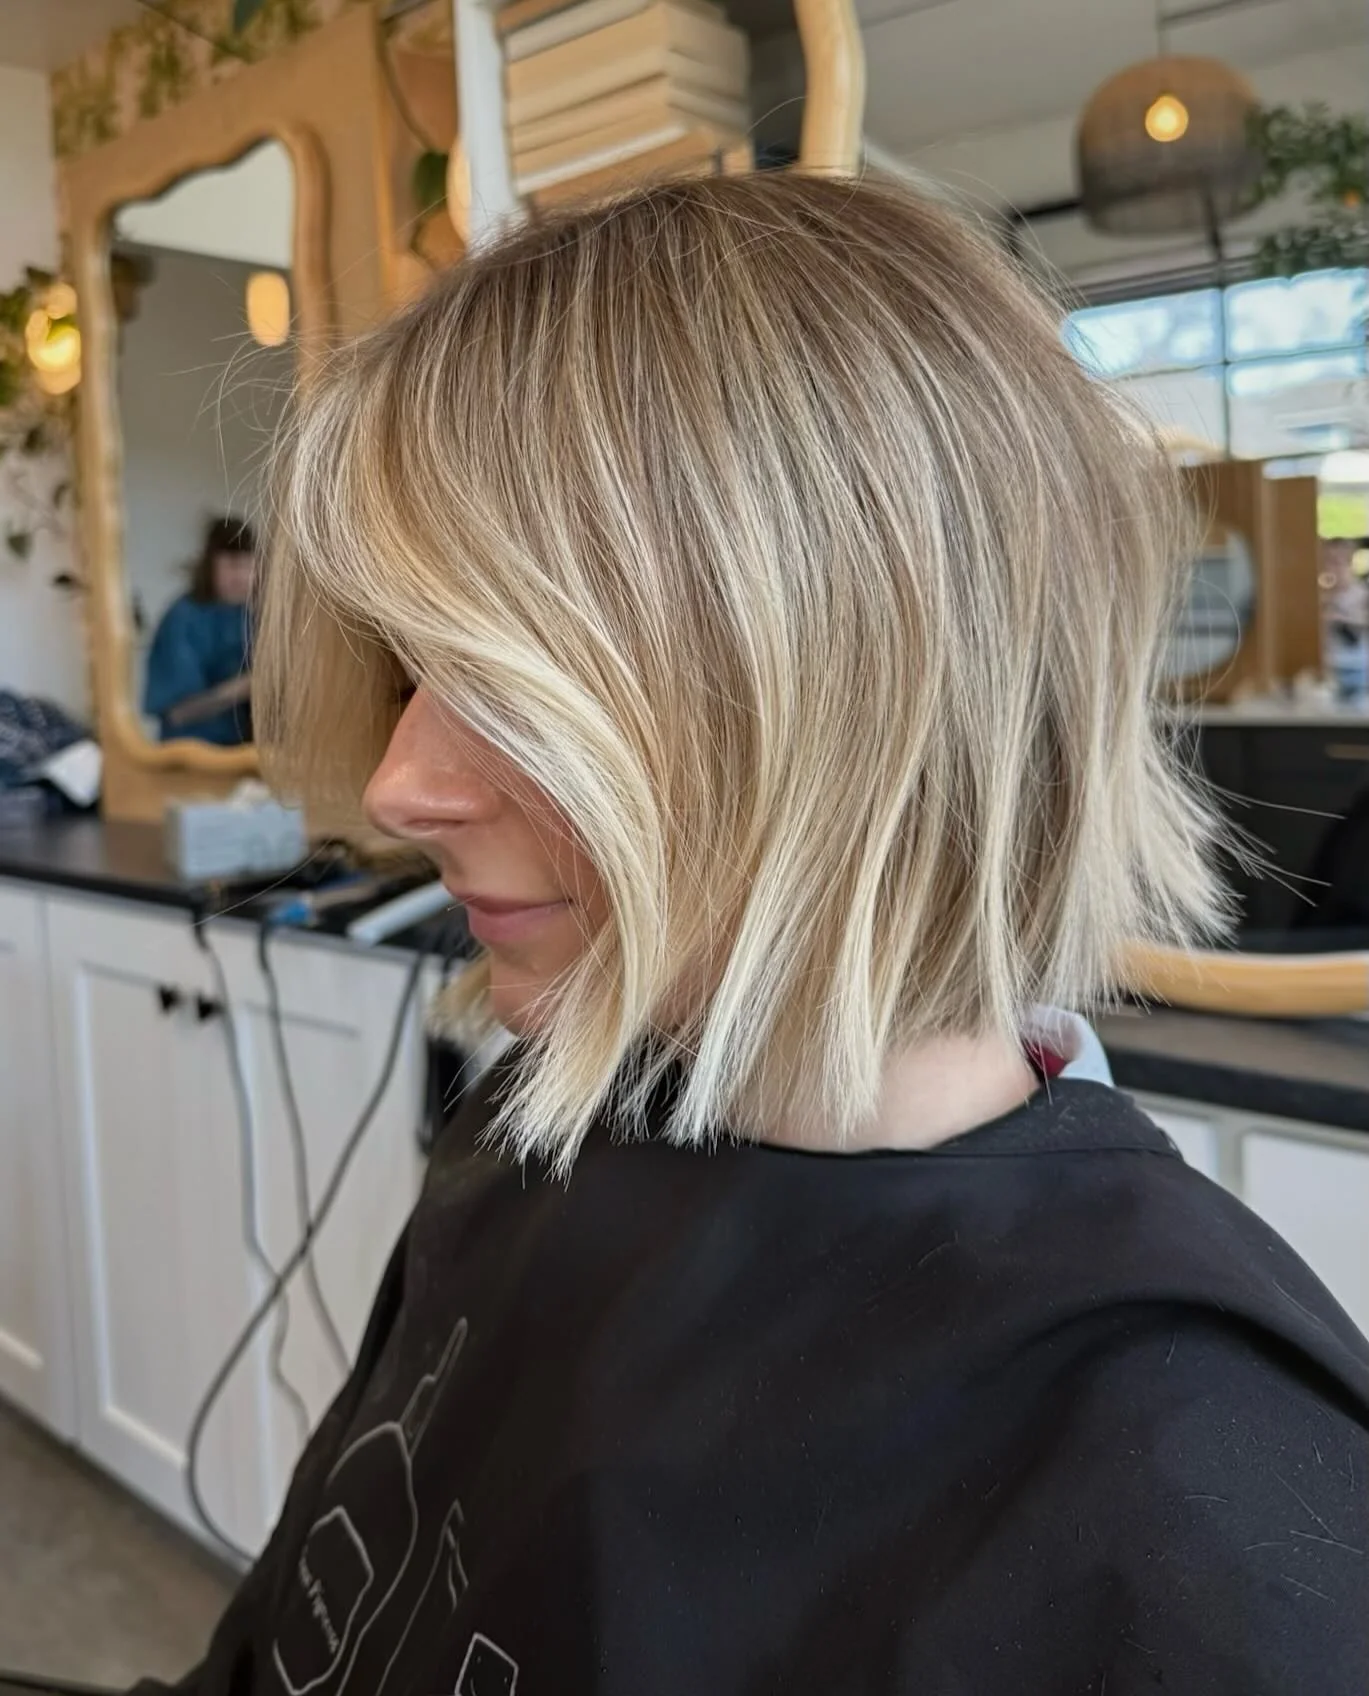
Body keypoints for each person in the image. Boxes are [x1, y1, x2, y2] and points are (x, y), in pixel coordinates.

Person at [151, 176, 1369, 1695]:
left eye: (518, 679)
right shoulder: (535, 1135)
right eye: (413, 666)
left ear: (862, 678)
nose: (401, 786)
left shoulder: (1211, 1528)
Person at [142, 516, 256, 745]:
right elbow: (178, 713)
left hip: (243, 751)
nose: (243, 577)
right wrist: (245, 687)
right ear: (210, 566)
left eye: (250, 566)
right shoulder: (183, 619)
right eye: (233, 566)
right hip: (191, 751)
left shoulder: (248, 614)